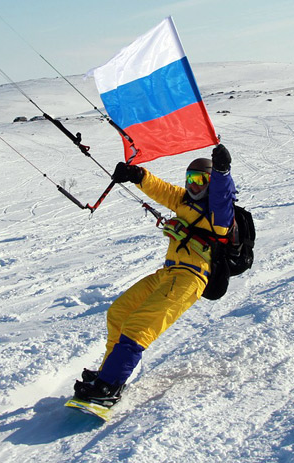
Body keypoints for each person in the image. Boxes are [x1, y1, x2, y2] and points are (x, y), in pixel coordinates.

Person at [73, 143, 237, 406]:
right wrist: (137, 175)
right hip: (169, 274)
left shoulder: (218, 214)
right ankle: (107, 372)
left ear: (210, 182)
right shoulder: (184, 201)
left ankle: (110, 386)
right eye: (190, 179)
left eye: (200, 180)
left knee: (138, 327)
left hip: (190, 278)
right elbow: (162, 189)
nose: (194, 186)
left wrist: (222, 173)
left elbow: (222, 196)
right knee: (119, 312)